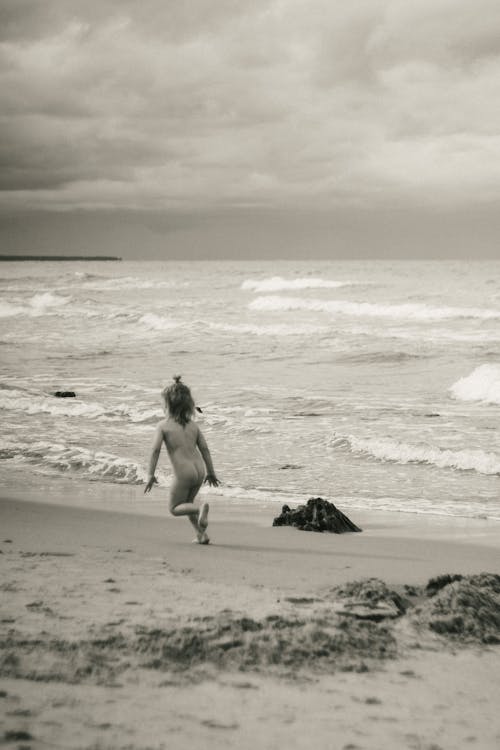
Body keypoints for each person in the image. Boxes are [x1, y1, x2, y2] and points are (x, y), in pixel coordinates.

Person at [144, 376, 220, 544]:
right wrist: (211, 472)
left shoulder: (163, 426)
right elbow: (205, 449)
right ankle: (201, 534)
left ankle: (201, 509)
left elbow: (155, 450)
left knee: (174, 508)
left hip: (183, 472)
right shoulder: (194, 426)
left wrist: (150, 474)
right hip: (199, 470)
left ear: (168, 405)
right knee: (188, 503)